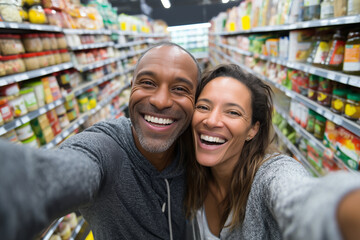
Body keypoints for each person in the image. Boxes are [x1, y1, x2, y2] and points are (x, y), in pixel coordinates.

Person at [0, 42, 201, 240]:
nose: (160, 101)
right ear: (131, 88)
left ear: (196, 102)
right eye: (148, 83)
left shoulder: (199, 154)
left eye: (180, 89)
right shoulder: (107, 149)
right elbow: (71, 167)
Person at [184, 64, 360, 239]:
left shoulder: (269, 176)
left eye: (233, 112)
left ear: (253, 129)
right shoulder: (187, 172)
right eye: (203, 107)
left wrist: (342, 207)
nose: (212, 121)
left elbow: (299, 197)